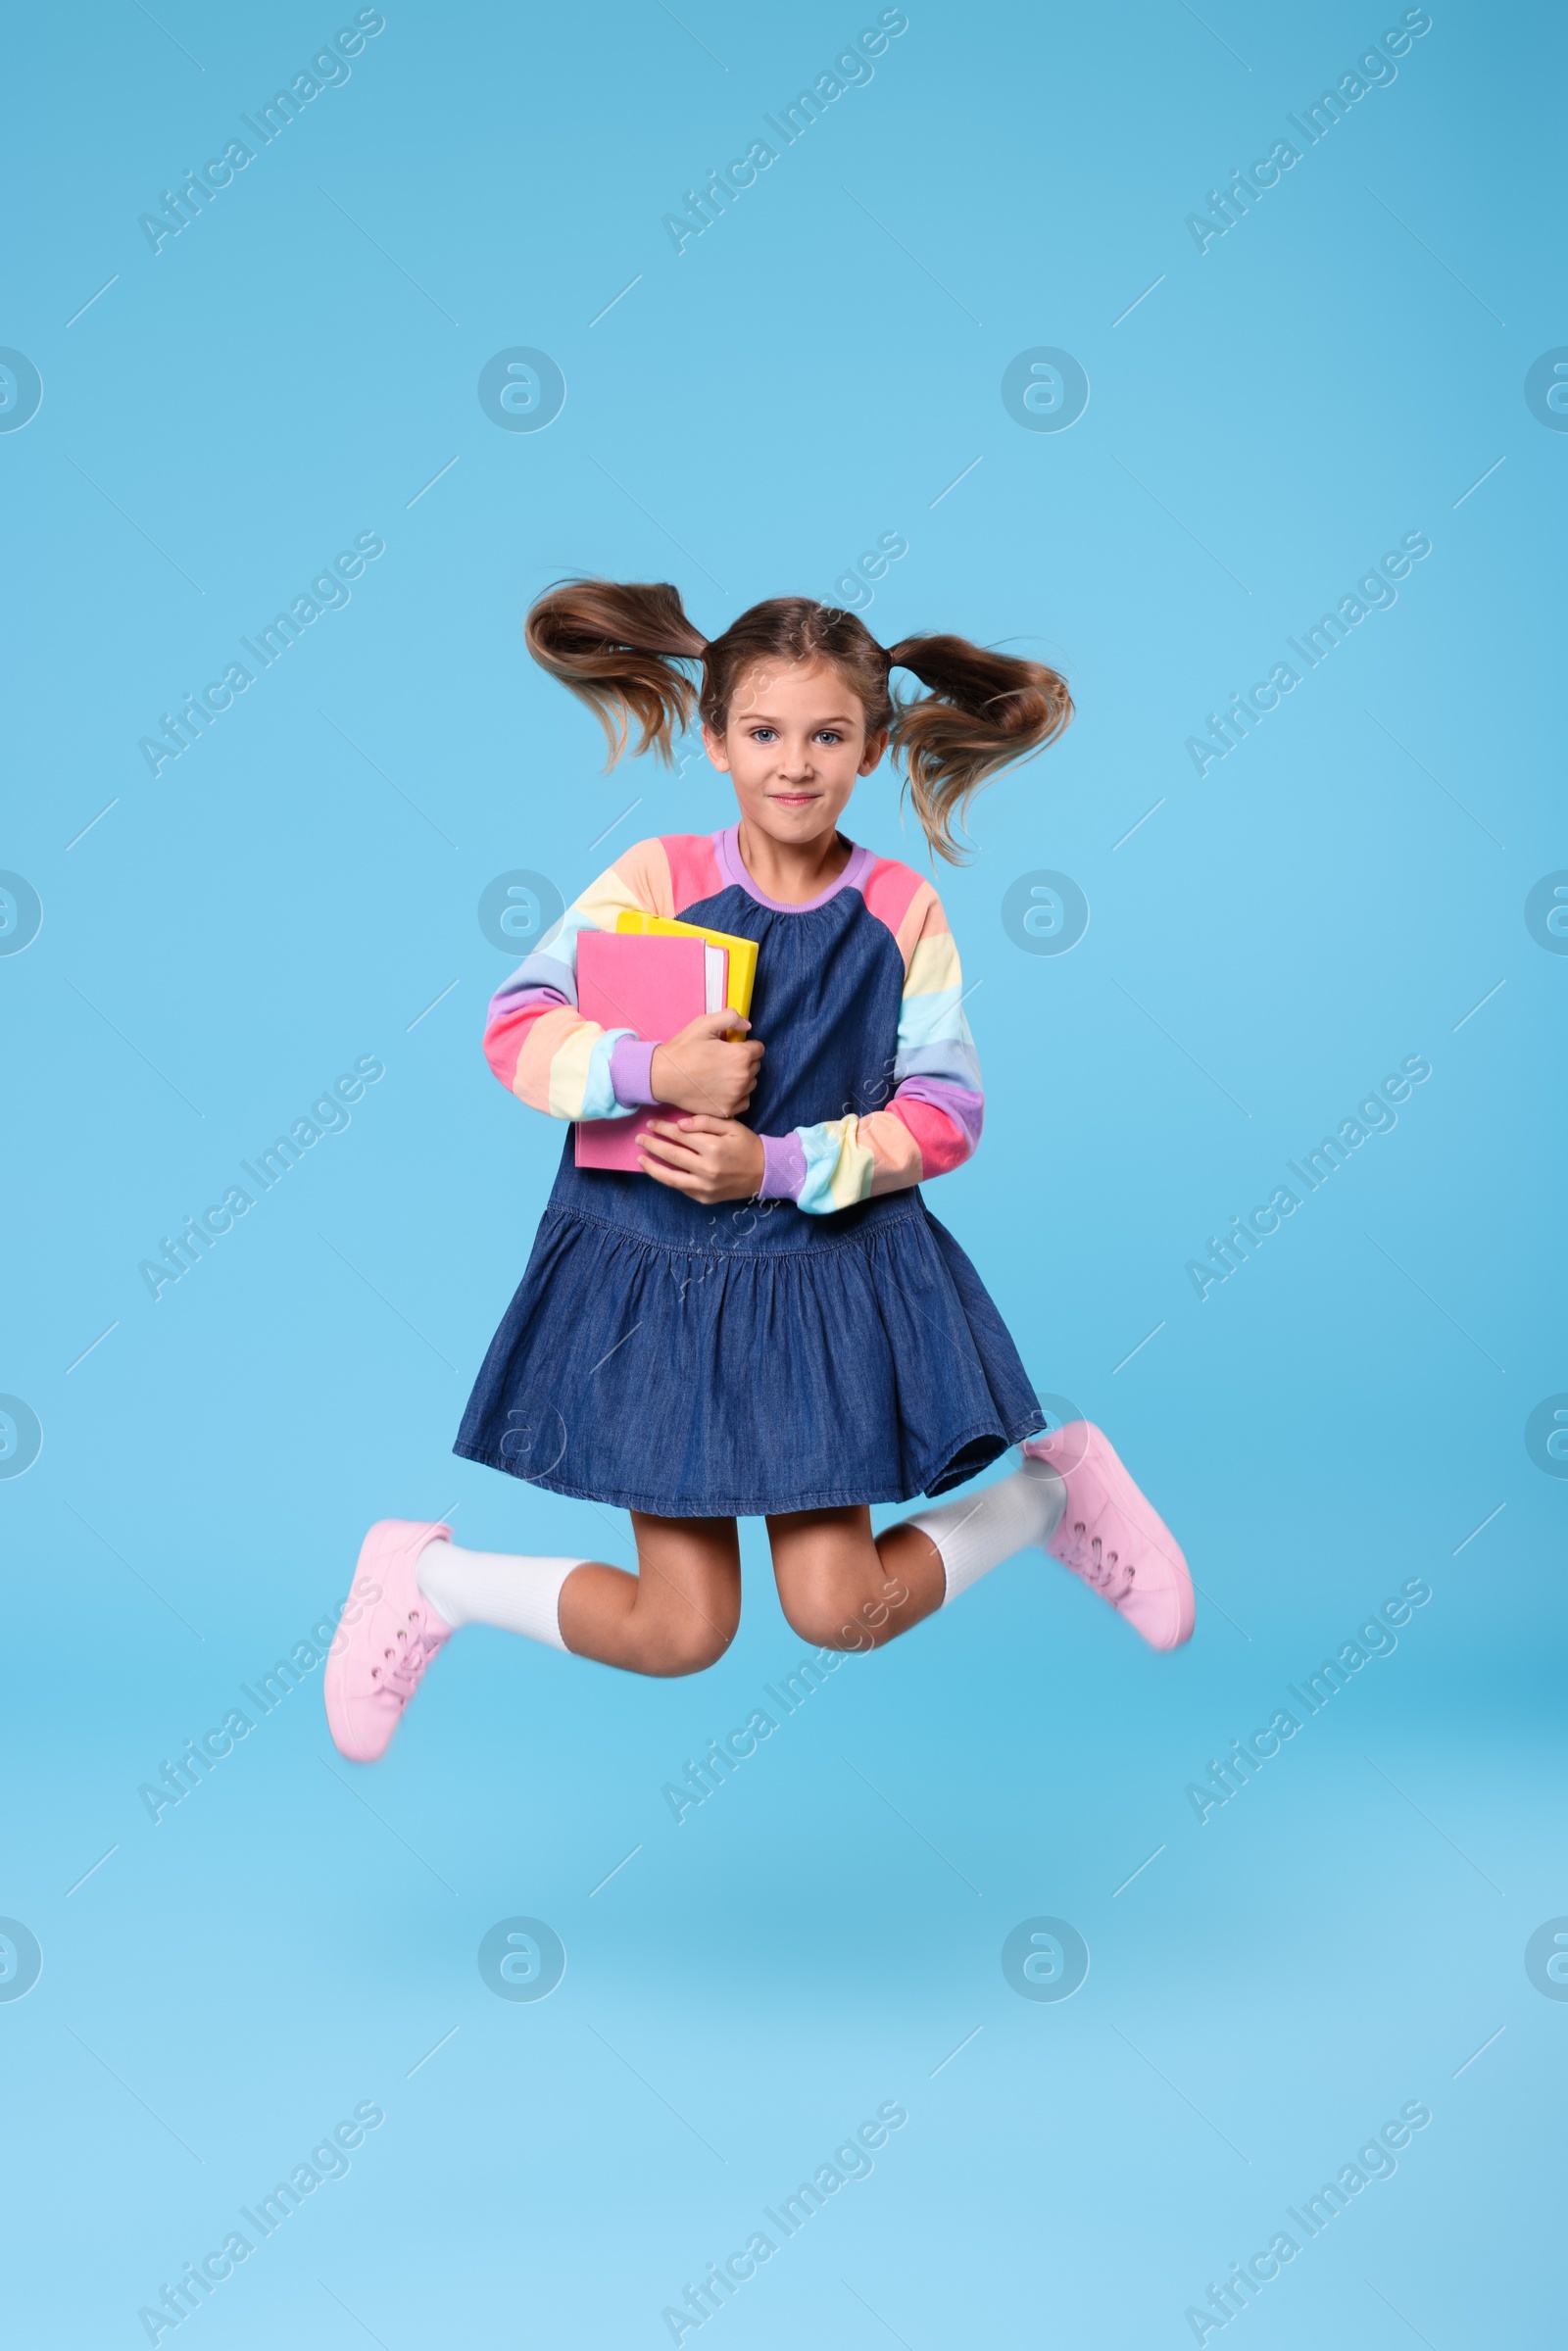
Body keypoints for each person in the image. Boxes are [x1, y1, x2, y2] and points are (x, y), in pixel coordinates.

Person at [325, 584, 1192, 1762]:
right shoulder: (658, 876)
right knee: (680, 1629)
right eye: (767, 734)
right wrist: (648, 1066)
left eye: (829, 735)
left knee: (840, 1606)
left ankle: (1048, 1494)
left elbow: (945, 1113)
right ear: (716, 736)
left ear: (874, 746)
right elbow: (516, 1023)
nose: (796, 764)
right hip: (654, 1278)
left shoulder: (899, 908)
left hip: (813, 1277)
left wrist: (778, 1162)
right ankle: (425, 1578)